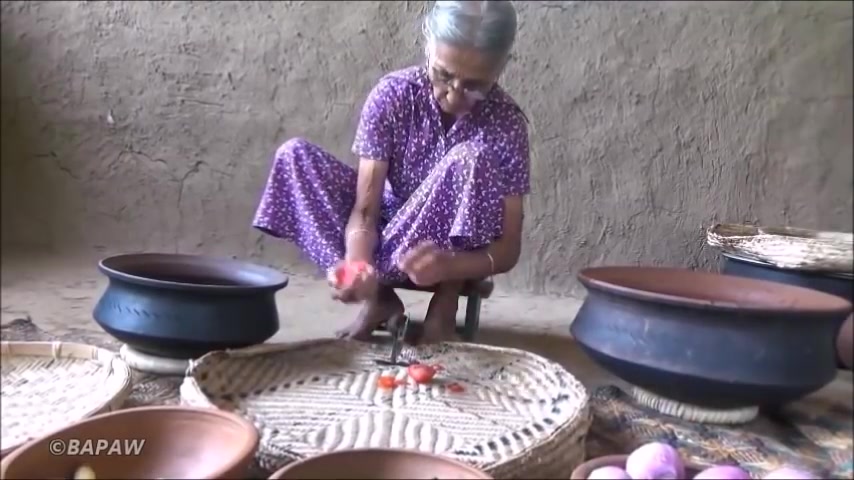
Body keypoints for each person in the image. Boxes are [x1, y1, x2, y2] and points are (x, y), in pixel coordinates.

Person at [252, 0, 529, 344]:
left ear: (500, 68)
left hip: (443, 259)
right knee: (294, 157)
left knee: (470, 158)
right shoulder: (394, 95)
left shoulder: (506, 124)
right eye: (443, 74)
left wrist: (451, 267)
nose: (454, 94)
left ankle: (443, 310)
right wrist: (358, 267)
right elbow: (365, 211)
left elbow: (508, 249)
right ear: (428, 47)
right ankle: (380, 300)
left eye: (475, 85)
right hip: (384, 234)